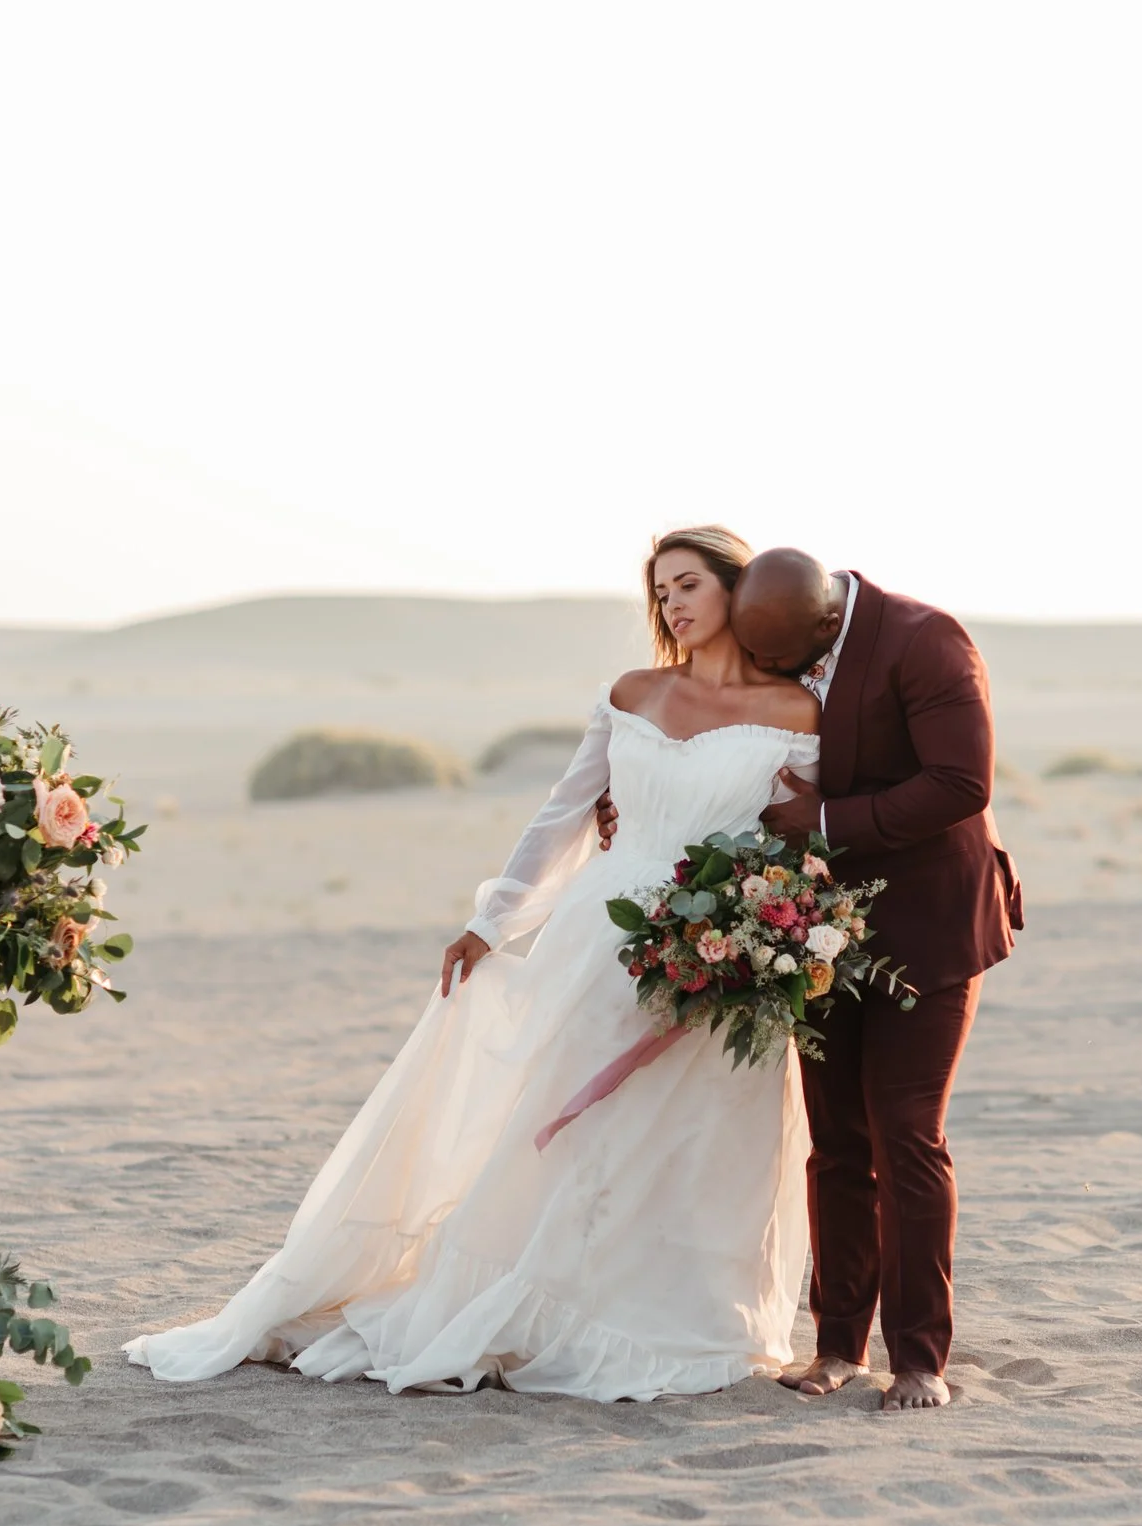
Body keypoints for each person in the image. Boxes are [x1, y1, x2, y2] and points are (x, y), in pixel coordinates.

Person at [123, 527, 824, 1399]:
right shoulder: (631, 693)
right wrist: (490, 922)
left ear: (738, 590)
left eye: (690, 584)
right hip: (599, 934)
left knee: (700, 1139)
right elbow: (561, 813)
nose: (674, 604)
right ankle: (544, 1306)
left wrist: (767, 935)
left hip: (725, 947)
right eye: (662, 591)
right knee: (577, 1136)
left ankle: (688, 1321)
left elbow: (808, 841)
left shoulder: (798, 713)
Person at [601, 548, 1020, 1412]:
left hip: (930, 928)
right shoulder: (778, 631)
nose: (782, 676)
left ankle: (919, 1359)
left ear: (828, 619)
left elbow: (961, 782)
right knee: (836, 1143)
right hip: (815, 931)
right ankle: (836, 1345)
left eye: (794, 663)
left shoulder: (928, 641)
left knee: (906, 1133)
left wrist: (823, 819)